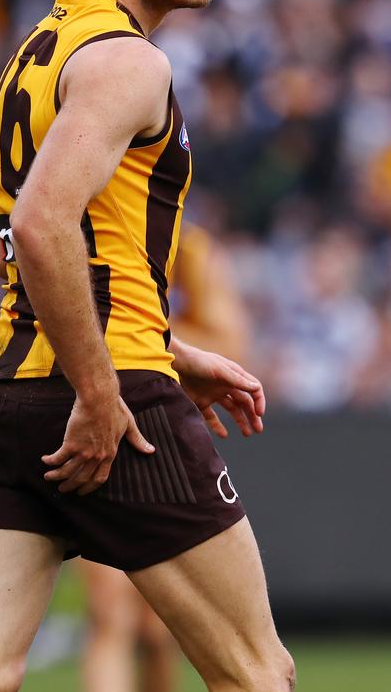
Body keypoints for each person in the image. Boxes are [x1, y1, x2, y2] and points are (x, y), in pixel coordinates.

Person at [0, 0, 295, 692]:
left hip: (3, 400)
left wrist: (175, 350)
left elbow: (11, 253)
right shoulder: (130, 60)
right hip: (110, 398)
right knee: (257, 671)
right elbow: (43, 224)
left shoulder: (34, 56)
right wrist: (103, 391)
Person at [78, 222, 253, 692]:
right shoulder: (74, 228)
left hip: (159, 432)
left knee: (158, 629)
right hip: (88, 421)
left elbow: (230, 342)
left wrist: (144, 343)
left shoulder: (185, 246)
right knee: (111, 613)